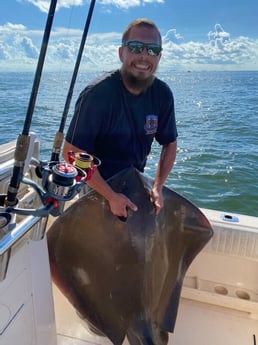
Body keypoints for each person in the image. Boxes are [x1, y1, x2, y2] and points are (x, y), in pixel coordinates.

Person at [63, 18, 178, 219]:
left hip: (134, 180)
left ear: (159, 56)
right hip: (95, 184)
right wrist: (110, 195)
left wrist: (158, 186)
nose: (144, 55)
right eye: (135, 47)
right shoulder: (97, 94)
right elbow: (72, 153)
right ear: (121, 53)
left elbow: (170, 142)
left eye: (152, 49)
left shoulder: (162, 94)